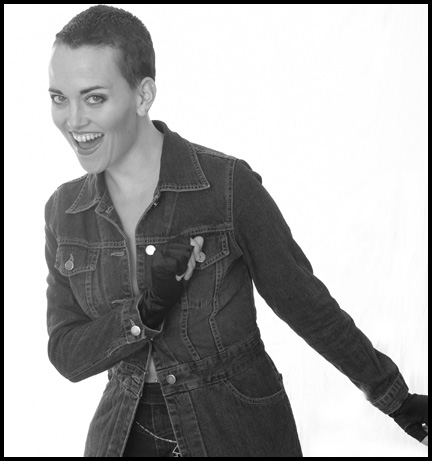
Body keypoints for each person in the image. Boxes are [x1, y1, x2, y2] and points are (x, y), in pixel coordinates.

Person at [45, 5, 428, 458]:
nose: (73, 120)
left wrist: (397, 400)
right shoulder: (65, 211)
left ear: (143, 95)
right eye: (59, 98)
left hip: (235, 430)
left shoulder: (226, 187)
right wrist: (144, 312)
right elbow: (67, 353)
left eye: (94, 98)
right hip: (124, 436)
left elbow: (305, 303)